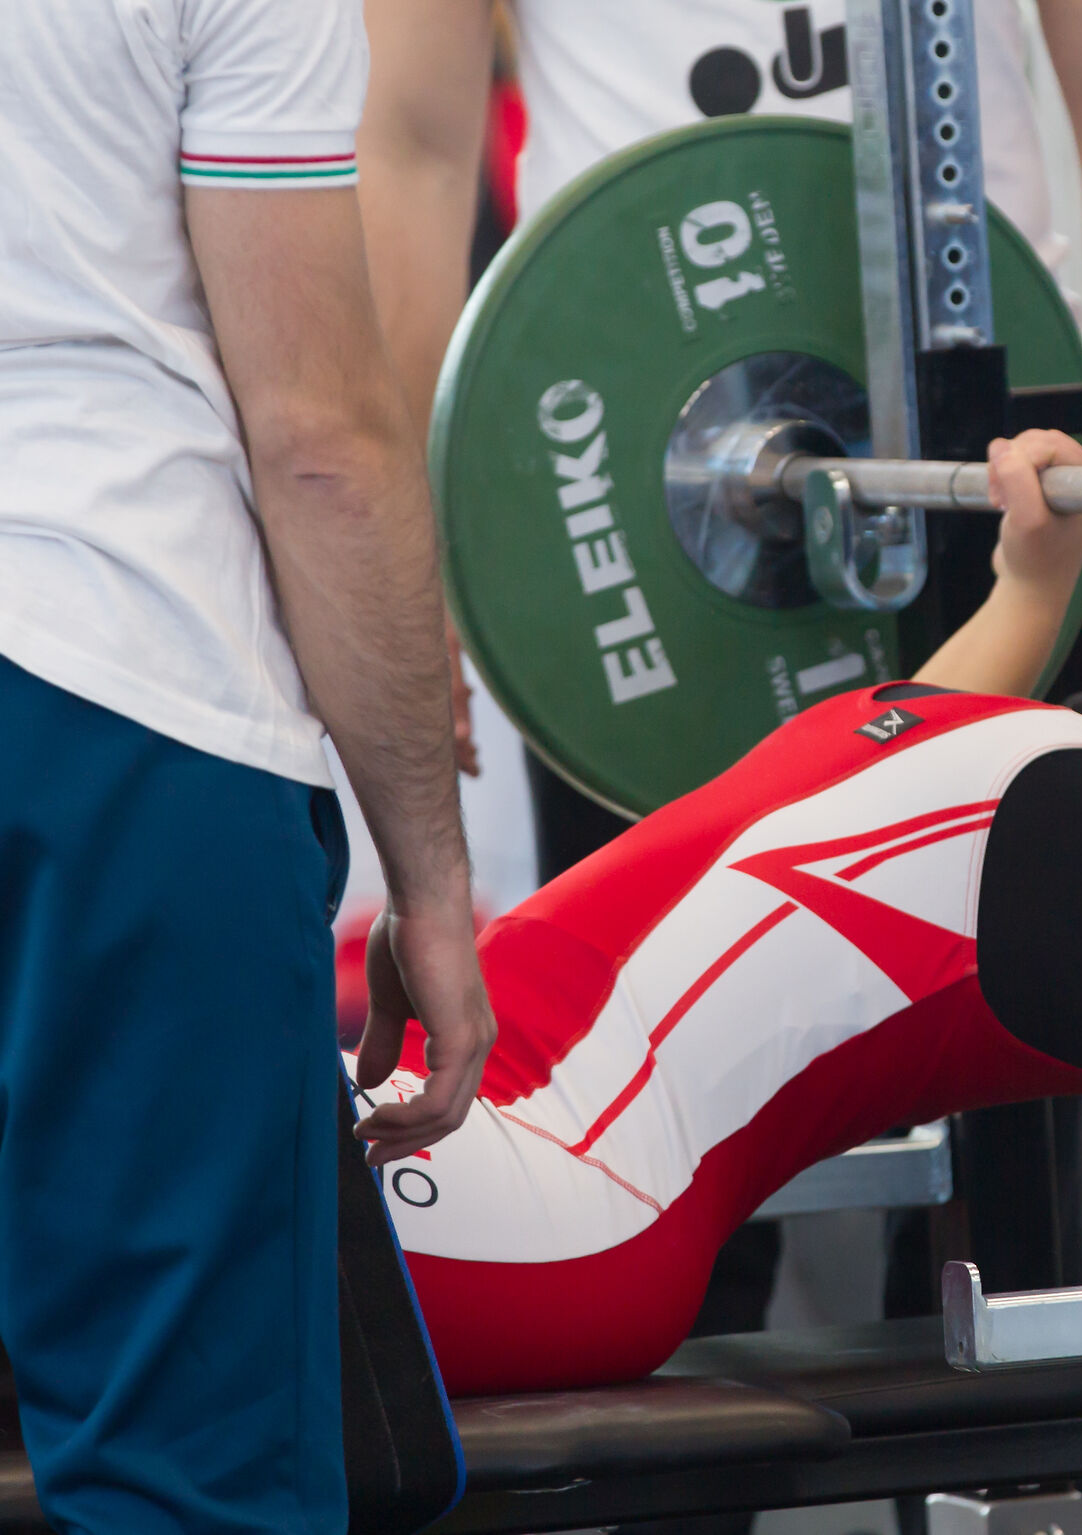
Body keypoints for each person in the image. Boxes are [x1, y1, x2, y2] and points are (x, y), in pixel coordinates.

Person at [358, 432, 1082, 1395]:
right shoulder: (1023, 755)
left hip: (550, 1179)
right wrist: (1039, 571)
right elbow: (935, 743)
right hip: (454, 1106)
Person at [0, 0, 499, 1526]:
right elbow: (322, 438)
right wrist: (430, 873)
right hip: (116, 692)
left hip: (107, 706)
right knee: (184, 1488)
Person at [358, 0, 1082, 781]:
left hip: (1009, 466)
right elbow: (411, 147)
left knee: (1031, 921)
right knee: (678, 954)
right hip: (619, 496)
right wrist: (405, 549)